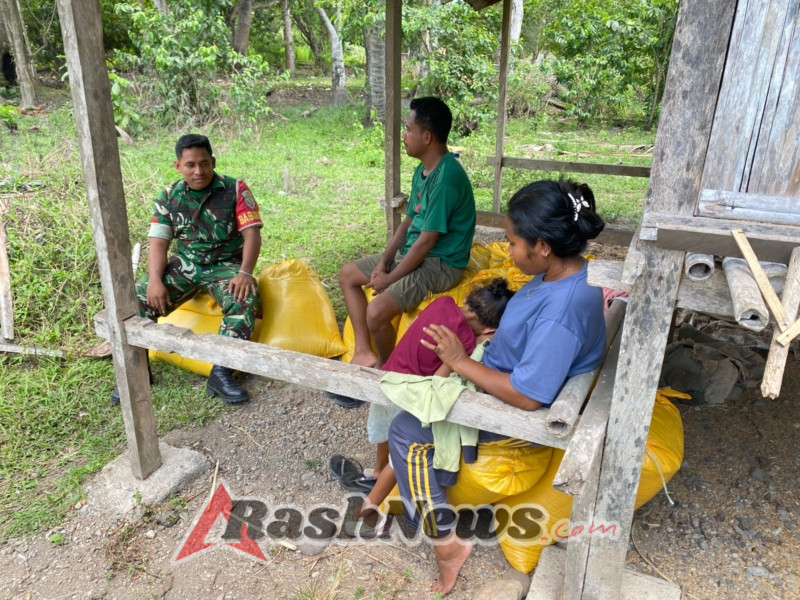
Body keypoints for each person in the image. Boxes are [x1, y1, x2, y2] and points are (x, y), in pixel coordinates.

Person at [386, 179, 607, 595]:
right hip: (498, 369)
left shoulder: (562, 311)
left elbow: (527, 396)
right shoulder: (569, 274)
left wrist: (460, 362)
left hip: (515, 406)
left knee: (404, 429)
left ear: (542, 245)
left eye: (512, 242)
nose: (507, 250)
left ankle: (445, 543)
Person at [330, 97, 476, 408]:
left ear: (427, 136)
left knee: (377, 312)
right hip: (417, 252)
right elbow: (407, 224)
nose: (404, 136)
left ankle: (387, 373)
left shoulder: (447, 176)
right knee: (347, 275)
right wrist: (383, 262)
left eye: (408, 130)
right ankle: (363, 353)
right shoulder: (422, 171)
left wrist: (390, 278)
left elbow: (426, 242)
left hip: (441, 263)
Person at [330, 279, 515, 525]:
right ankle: (368, 509)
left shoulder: (443, 302)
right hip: (409, 395)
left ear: (469, 299)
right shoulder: (465, 342)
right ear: (491, 330)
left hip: (387, 380)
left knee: (383, 432)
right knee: (400, 456)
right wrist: (459, 358)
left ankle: (375, 471)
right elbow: (436, 384)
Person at [111, 134, 262, 405]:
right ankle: (137, 372)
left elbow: (252, 234)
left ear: (213, 161)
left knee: (244, 297)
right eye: (190, 165)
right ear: (177, 166)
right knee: (136, 299)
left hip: (225, 265)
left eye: (204, 163)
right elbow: (158, 243)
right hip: (186, 264)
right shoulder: (169, 196)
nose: (199, 171)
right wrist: (155, 280)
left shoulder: (235, 189)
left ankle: (221, 372)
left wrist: (245, 272)